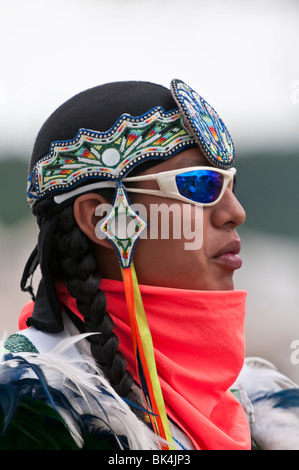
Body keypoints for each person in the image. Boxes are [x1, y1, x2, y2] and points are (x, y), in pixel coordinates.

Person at [1, 79, 298, 451]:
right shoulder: (29, 407)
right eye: (200, 185)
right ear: (101, 219)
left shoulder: (261, 405)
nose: (235, 213)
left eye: (230, 186)